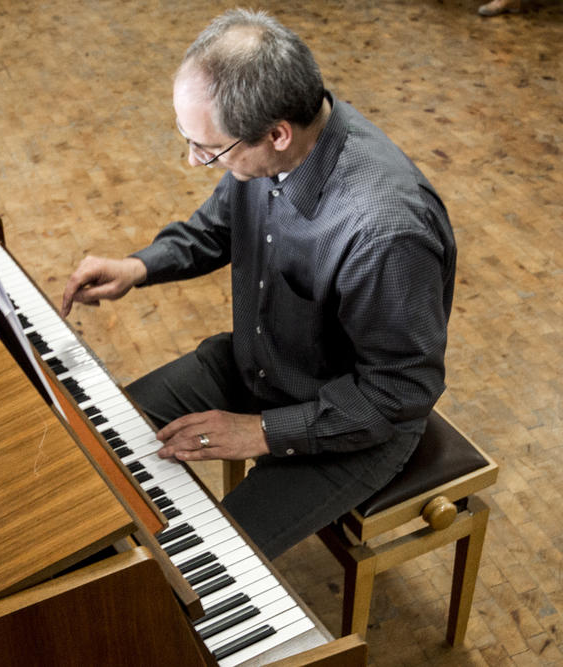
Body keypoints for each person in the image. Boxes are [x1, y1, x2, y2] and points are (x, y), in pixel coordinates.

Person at [60, 9, 456, 560]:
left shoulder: (385, 230)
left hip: (353, 424)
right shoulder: (272, 149)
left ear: (276, 134)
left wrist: (262, 432)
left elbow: (399, 392)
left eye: (209, 149)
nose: (195, 160)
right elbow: (216, 227)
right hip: (261, 362)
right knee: (94, 447)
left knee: (197, 564)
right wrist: (139, 266)